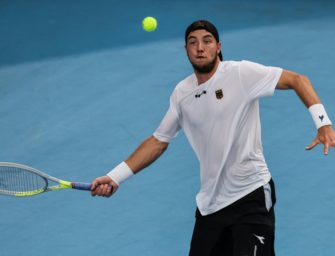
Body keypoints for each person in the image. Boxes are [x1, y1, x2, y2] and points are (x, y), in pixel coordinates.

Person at [91, 20, 335, 255]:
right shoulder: (181, 93)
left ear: (218, 47)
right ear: (185, 50)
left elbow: (297, 80)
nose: (200, 47)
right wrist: (115, 177)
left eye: (207, 41)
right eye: (193, 42)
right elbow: (158, 141)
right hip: (211, 207)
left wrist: (323, 123)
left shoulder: (240, 73)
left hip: (251, 196)